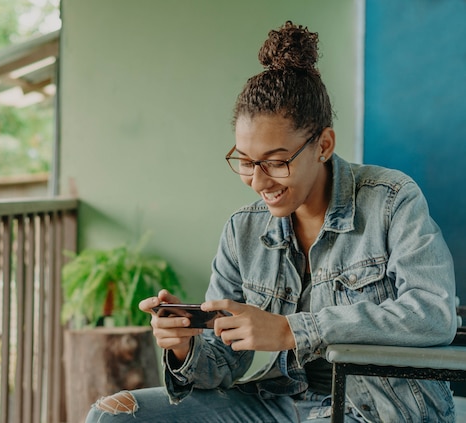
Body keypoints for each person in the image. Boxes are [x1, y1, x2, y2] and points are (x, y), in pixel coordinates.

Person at [85, 21, 457, 422]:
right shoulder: (242, 230)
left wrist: (292, 329)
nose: (258, 181)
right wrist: (185, 344)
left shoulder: (391, 199)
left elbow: (433, 313)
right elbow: (222, 363)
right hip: (280, 402)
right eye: (245, 162)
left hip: (377, 411)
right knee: (115, 414)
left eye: (277, 162)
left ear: (324, 145)